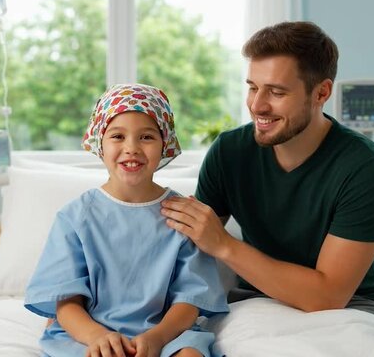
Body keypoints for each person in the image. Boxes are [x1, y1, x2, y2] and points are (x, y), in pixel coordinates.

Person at [161, 21, 374, 324]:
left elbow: (329, 296)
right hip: (257, 302)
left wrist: (224, 245)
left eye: (276, 92)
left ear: (321, 92)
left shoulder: (364, 166)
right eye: (253, 88)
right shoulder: (229, 152)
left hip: (353, 307)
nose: (257, 105)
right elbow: (188, 249)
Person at [24, 83, 229, 357]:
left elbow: (189, 301)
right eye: (118, 136)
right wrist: (98, 337)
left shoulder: (182, 215)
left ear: (164, 143)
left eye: (146, 137)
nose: (131, 148)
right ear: (100, 142)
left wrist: (156, 339)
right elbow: (66, 303)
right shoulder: (75, 218)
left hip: (165, 333)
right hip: (91, 334)